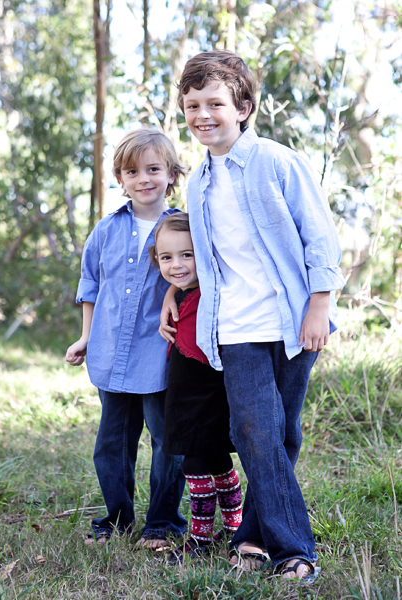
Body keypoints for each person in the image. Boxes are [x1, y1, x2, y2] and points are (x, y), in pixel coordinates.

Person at [161, 50, 343, 581]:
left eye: (214, 102)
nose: (202, 115)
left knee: (283, 435)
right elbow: (198, 254)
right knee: (254, 432)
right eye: (192, 105)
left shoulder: (279, 162)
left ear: (242, 106)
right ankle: (296, 553)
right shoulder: (197, 183)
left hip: (292, 318)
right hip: (235, 325)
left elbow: (320, 236)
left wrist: (319, 305)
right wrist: (176, 294)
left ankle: (254, 537)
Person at [65, 128, 188, 550]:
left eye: (153, 169)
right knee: (111, 443)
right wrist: (85, 337)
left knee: (167, 442)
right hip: (111, 351)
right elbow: (91, 286)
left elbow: (194, 281)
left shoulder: (183, 228)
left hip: (161, 353)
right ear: (120, 178)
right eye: (132, 171)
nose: (143, 179)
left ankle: (163, 523)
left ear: (171, 174)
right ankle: (116, 518)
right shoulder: (105, 231)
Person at [148, 213, 243, 562]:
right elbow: (181, 280)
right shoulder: (182, 292)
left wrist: (174, 291)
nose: (177, 265)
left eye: (187, 254)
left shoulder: (216, 288)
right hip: (184, 391)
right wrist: (170, 293)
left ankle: (202, 539)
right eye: (167, 257)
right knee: (213, 460)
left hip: (210, 390)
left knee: (198, 463)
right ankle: (234, 528)